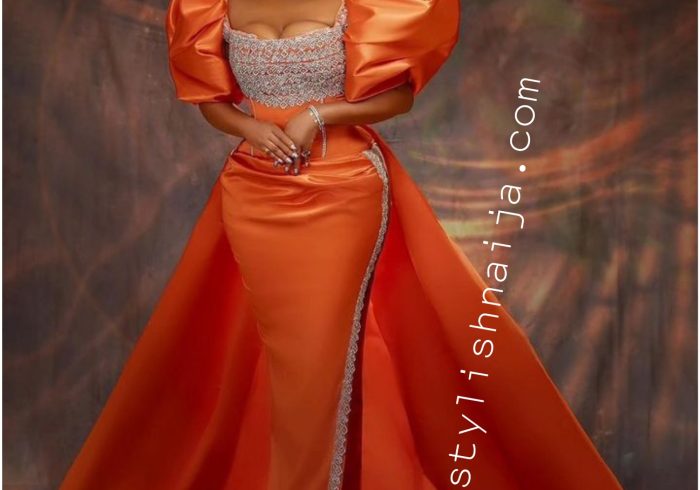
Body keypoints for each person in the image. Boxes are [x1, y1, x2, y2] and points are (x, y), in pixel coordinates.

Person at [59, 0, 624, 488]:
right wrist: (253, 129)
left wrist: (318, 116)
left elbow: (398, 98)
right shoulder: (208, 3)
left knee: (317, 365)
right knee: (290, 367)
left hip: (344, 189)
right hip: (252, 193)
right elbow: (210, 100)